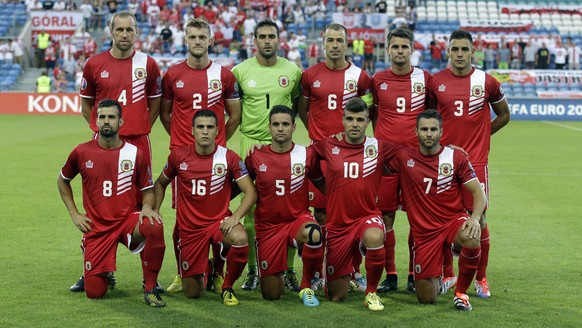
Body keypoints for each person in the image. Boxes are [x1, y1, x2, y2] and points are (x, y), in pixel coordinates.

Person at [74, 10, 162, 293]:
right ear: (110, 32)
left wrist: (140, 126)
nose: (125, 35)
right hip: (104, 148)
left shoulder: (148, 64)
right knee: (98, 209)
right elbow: (87, 106)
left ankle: (149, 278)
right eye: (120, 30)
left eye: (130, 30)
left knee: (145, 210)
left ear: (137, 33)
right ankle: (96, 268)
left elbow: (155, 104)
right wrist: (101, 132)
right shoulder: (94, 64)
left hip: (137, 144)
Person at [57, 99, 166, 307]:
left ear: (121, 122)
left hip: (126, 221)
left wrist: (145, 207)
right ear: (96, 121)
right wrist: (74, 213)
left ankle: (150, 288)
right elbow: (63, 180)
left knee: (154, 224)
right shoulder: (81, 152)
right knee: (95, 293)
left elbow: (147, 190)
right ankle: (99, 265)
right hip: (97, 228)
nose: (107, 121)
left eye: (112, 117)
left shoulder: (135, 153)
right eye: (102, 117)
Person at [160, 18, 241, 293]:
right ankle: (183, 272)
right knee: (182, 221)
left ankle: (217, 273)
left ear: (210, 40)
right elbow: (165, 114)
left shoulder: (225, 75)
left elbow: (235, 116)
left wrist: (217, 144)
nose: (197, 41)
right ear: (186, 40)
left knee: (218, 217)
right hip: (183, 162)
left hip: (216, 160)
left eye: (202, 37)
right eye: (192, 37)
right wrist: (183, 146)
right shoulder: (172, 75)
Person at [427, 29, 510, 298]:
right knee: (441, 218)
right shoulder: (435, 81)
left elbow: (504, 115)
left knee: (481, 219)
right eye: (455, 49)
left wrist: (482, 138)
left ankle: (482, 278)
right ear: (448, 51)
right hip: (442, 164)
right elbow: (429, 117)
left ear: (473, 51)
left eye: (465, 49)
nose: (460, 54)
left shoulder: (487, 82)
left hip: (475, 163)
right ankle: (448, 274)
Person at [153, 110, 257, 306]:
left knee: (240, 238)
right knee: (192, 293)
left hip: (218, 223)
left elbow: (250, 192)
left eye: (210, 127)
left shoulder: (229, 158)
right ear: (192, 130)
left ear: (217, 130)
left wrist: (235, 217)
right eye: (200, 127)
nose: (205, 131)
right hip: (190, 229)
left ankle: (227, 287)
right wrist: (155, 209)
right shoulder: (178, 156)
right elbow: (160, 183)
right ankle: (208, 268)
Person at [386, 109, 486, 311]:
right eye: (424, 129)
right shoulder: (403, 157)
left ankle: (461, 293)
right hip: (424, 235)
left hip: (452, 222)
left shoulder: (455, 157)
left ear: (441, 131)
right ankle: (442, 279)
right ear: (416, 131)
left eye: (433, 129)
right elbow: (370, 155)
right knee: (426, 299)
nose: (429, 134)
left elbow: (478, 193)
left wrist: (474, 218)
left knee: (473, 237)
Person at [299, 22, 373, 292]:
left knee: (353, 215)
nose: (334, 45)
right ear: (322, 43)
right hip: (321, 157)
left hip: (352, 158)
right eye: (329, 40)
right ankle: (318, 272)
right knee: (320, 215)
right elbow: (303, 109)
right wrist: (318, 140)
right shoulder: (309, 76)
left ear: (346, 43)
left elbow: (368, 115)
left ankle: (354, 271)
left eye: (339, 40)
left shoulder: (360, 77)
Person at [231, 19, 302, 292]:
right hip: (250, 145)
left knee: (289, 209)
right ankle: (253, 271)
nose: (267, 41)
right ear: (254, 40)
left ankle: (289, 270)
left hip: (281, 147)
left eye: (272, 36)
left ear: (279, 39)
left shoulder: (292, 70)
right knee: (250, 212)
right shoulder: (240, 71)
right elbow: (233, 110)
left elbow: (296, 104)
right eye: (262, 36)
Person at [312, 98, 401, 312]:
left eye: (360, 119)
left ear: (367, 122)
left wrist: (449, 149)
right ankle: (348, 278)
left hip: (366, 217)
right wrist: (324, 187)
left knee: (374, 236)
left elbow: (412, 156)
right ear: (342, 120)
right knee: (336, 296)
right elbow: (301, 158)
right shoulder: (328, 144)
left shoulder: (378, 147)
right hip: (338, 225)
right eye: (350, 119)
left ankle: (371, 292)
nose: (354, 124)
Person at [370, 28, 432, 294]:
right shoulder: (377, 79)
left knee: (419, 219)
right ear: (388, 49)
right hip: (385, 162)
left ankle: (413, 273)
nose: (400, 51)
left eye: (404, 47)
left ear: (411, 50)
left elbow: (432, 116)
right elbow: (371, 114)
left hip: (416, 161)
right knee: (385, 217)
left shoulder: (424, 78)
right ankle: (391, 274)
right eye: (395, 47)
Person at [245, 105, 325, 306]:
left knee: (315, 232)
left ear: (294, 127)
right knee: (272, 294)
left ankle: (307, 286)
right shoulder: (255, 156)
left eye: (285, 124)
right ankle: (278, 271)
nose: (280, 128)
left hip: (297, 220)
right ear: (269, 127)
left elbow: (323, 184)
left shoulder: (307, 154)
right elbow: (241, 187)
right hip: (268, 227)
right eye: (276, 124)